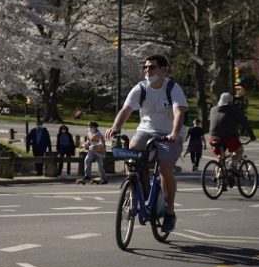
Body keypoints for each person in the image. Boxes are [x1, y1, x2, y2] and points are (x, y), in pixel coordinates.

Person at [109, 54, 187, 233]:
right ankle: (137, 188)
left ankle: (169, 211)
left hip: (169, 135)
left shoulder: (173, 88)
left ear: (163, 69)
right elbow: (126, 109)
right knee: (133, 151)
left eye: (152, 67)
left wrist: (174, 133)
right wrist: (115, 128)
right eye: (145, 67)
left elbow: (179, 113)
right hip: (145, 131)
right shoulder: (141, 87)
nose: (147, 70)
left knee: (165, 168)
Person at [208, 92, 245, 169]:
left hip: (213, 138)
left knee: (221, 157)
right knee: (239, 150)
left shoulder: (213, 109)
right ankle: (233, 166)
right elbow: (244, 123)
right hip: (228, 138)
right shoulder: (232, 110)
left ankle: (219, 176)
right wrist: (252, 136)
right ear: (229, 101)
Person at [77, 120, 107, 184]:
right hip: (92, 151)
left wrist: (95, 145)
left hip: (99, 152)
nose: (90, 128)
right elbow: (88, 142)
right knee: (87, 160)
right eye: (89, 127)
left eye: (91, 127)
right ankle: (87, 175)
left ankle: (104, 178)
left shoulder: (99, 134)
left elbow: (102, 143)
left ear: (95, 127)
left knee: (100, 166)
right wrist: (83, 145)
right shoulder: (89, 134)